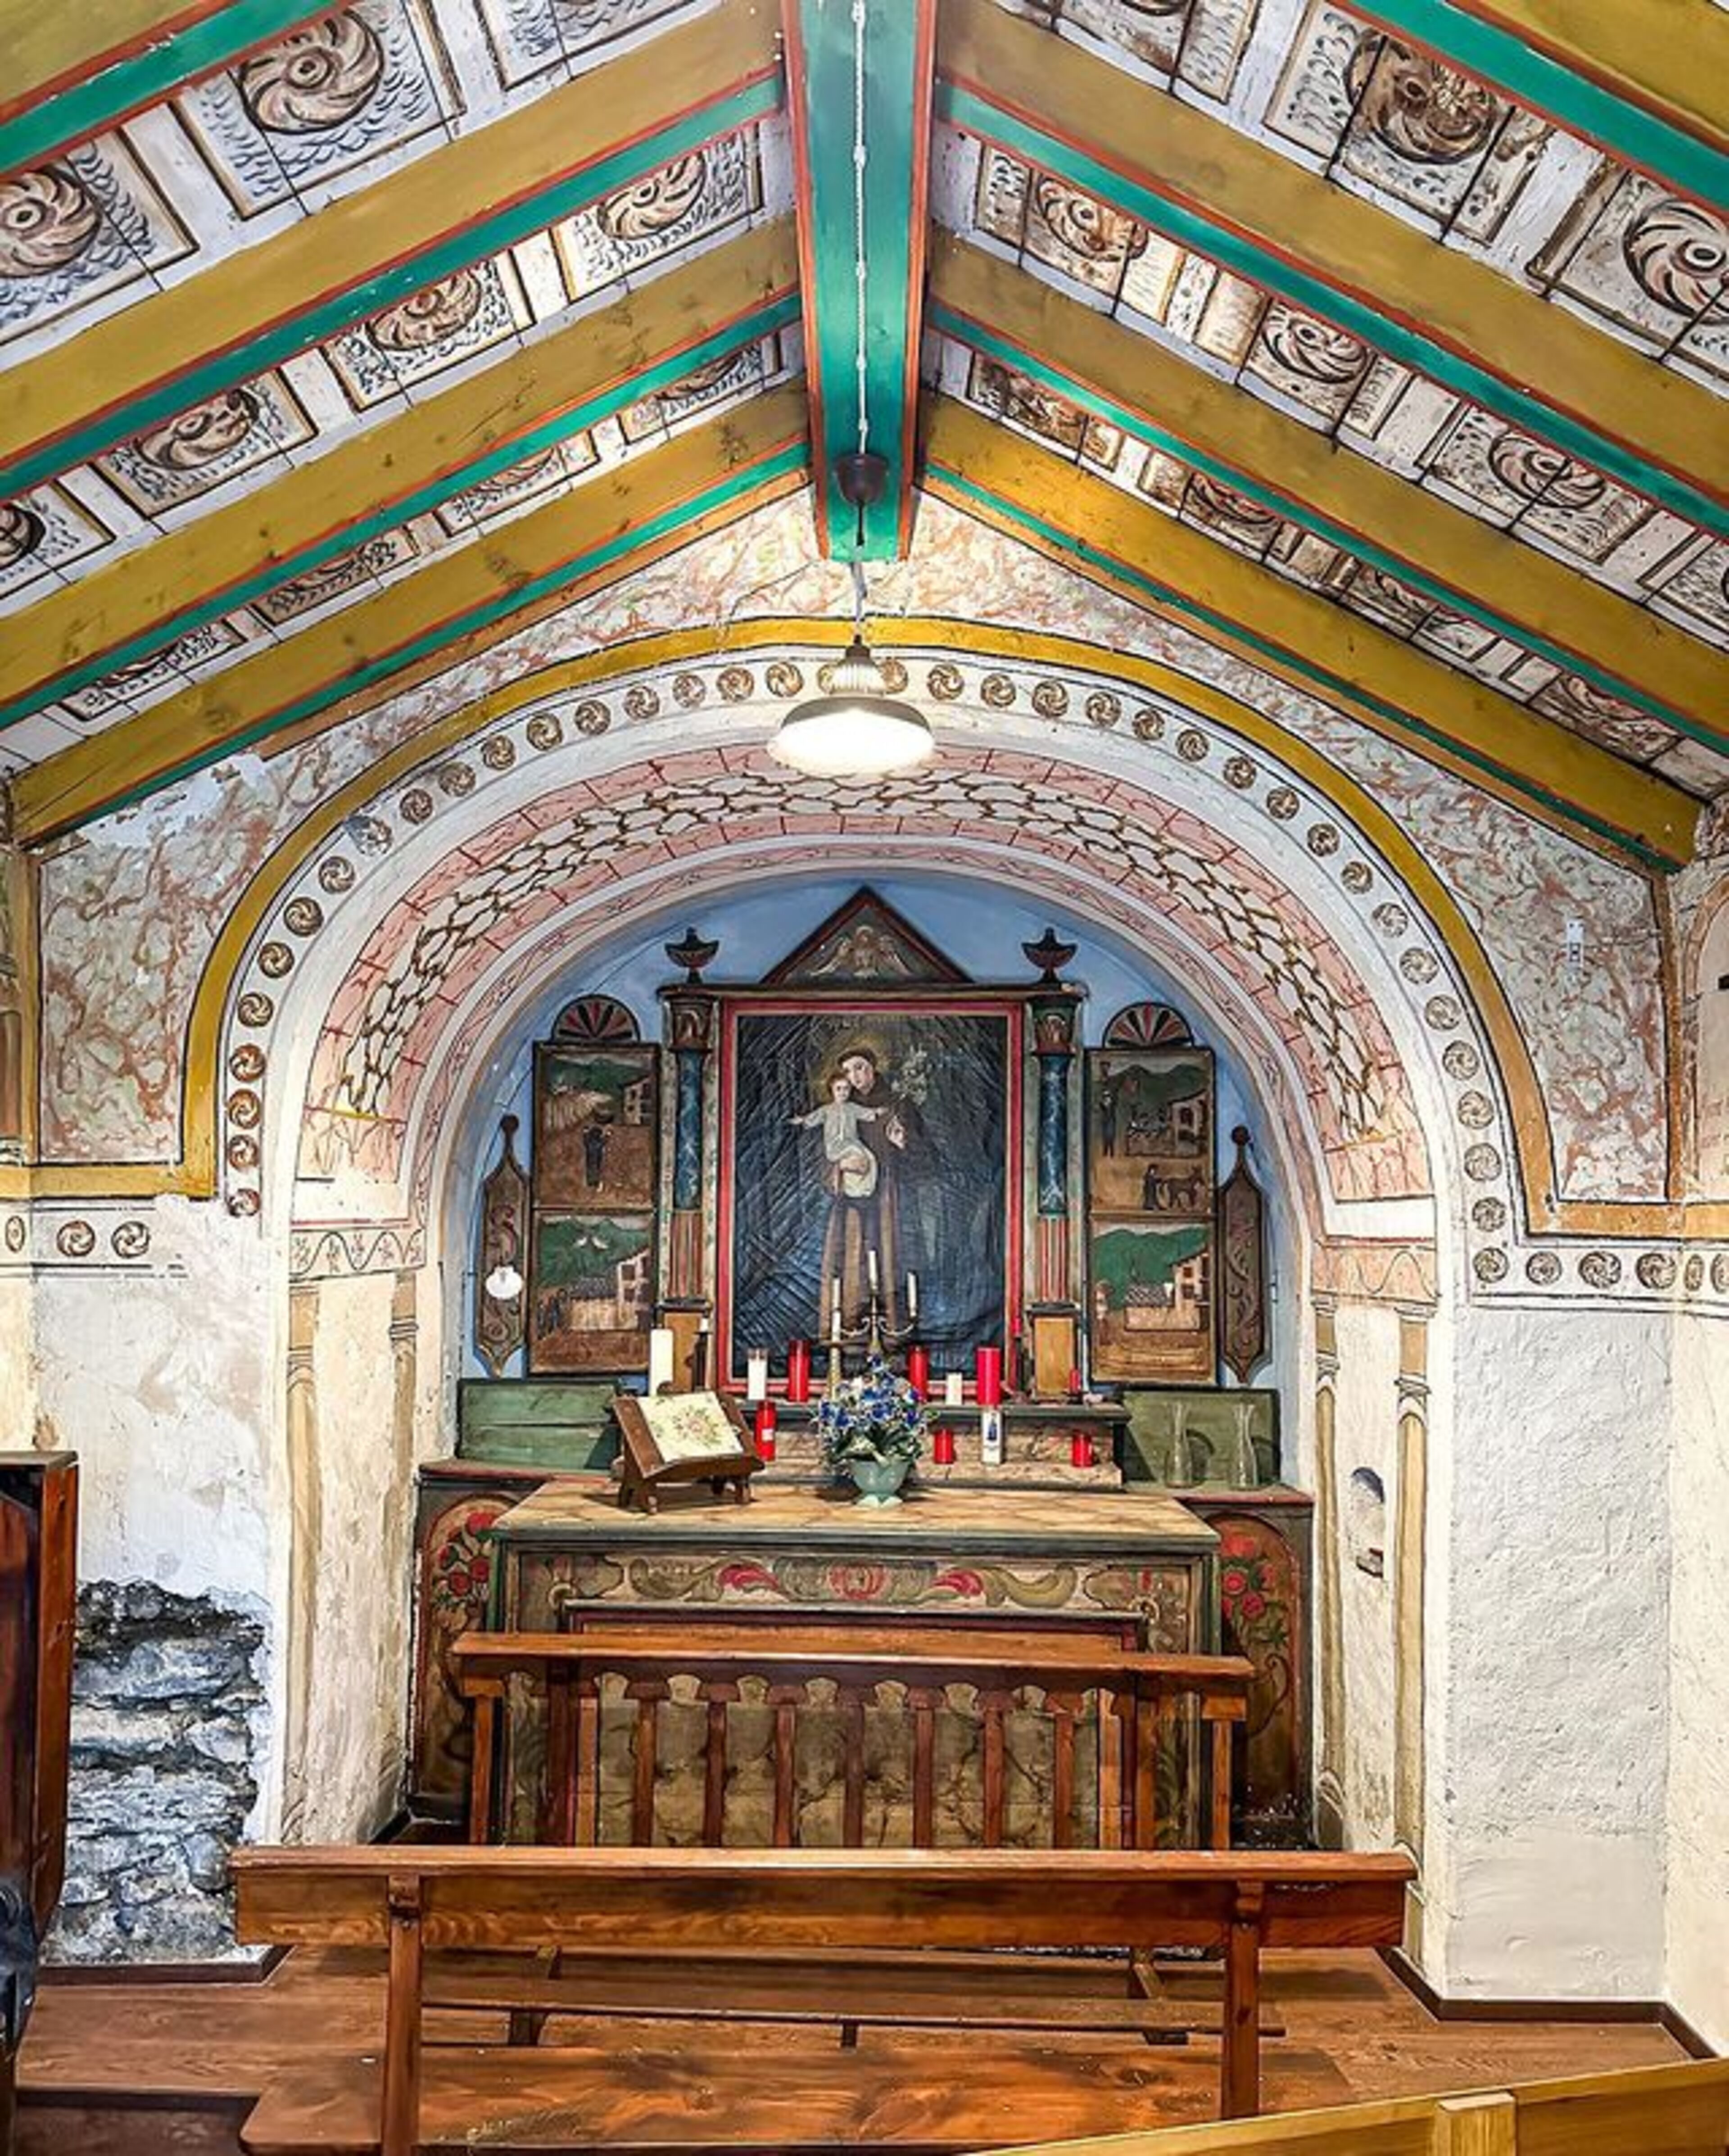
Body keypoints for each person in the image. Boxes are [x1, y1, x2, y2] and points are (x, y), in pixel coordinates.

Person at [789, 1073, 884, 1198]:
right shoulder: (827, 1110)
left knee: (871, 1159)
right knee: (859, 1156)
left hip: (852, 1143)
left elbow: (866, 1113)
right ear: (832, 1091)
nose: (843, 1092)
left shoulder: (852, 1108)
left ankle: (859, 1190)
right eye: (839, 1089)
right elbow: (813, 1118)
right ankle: (839, 1170)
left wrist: (877, 1112)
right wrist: (803, 1120)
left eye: (846, 1089)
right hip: (836, 1147)